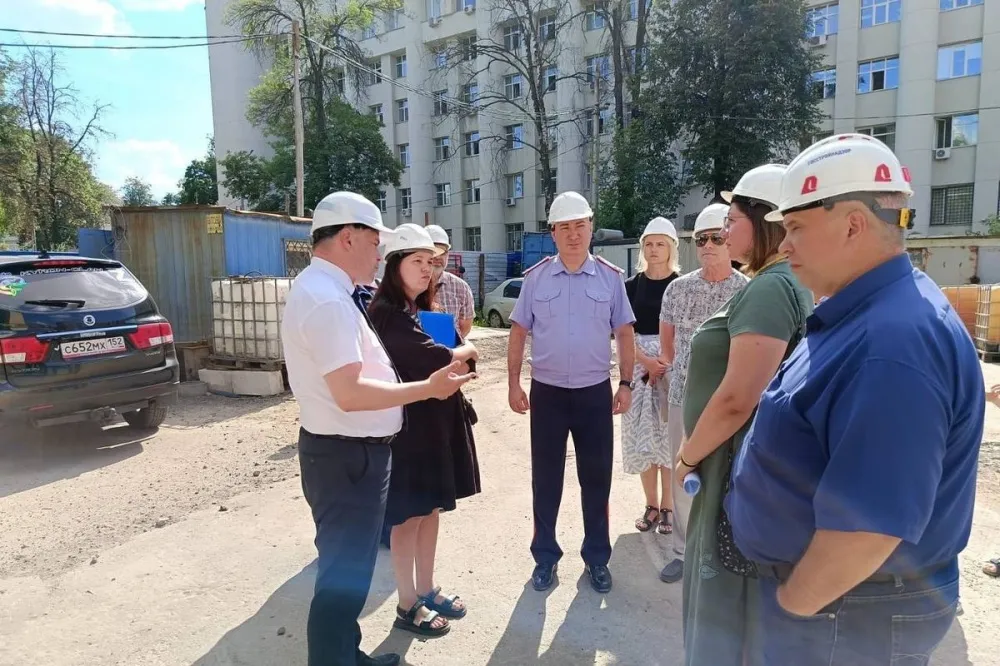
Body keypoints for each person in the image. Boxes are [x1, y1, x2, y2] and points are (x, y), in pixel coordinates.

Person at [725, 134, 984, 665]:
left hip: (846, 615)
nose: (785, 244)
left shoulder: (892, 344)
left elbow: (867, 530)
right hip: (844, 607)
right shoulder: (870, 312)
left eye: (795, 227)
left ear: (852, 224)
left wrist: (796, 606)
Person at [281, 192, 475, 666]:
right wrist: (425, 389)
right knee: (341, 579)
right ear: (348, 237)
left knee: (348, 576)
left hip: (351, 453)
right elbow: (349, 393)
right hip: (347, 456)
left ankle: (345, 655)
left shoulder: (332, 292)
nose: (378, 255)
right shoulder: (325, 299)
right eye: (375, 243)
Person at [673, 164, 814, 666]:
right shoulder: (782, 282)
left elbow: (739, 397)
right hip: (744, 464)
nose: (725, 231)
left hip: (732, 463)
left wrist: (688, 457)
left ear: (766, 220)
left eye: (733, 219)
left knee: (725, 611)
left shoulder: (772, 288)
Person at [507, 191, 636, 594]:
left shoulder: (611, 279)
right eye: (565, 227)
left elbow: (625, 332)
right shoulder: (536, 278)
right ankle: (545, 557)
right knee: (546, 481)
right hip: (546, 394)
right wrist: (512, 382)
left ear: (591, 228)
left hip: (594, 394)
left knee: (596, 480)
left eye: (580, 225)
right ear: (553, 233)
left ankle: (597, 558)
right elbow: (518, 332)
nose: (574, 234)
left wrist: (627, 383)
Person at [367, 224, 482, 639]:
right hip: (409, 431)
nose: (426, 270)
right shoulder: (387, 314)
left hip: (434, 426)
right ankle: (405, 602)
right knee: (407, 517)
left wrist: (460, 355)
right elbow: (443, 356)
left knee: (431, 508)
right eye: (416, 262)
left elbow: (461, 367)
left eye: (431, 263)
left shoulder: (421, 312)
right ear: (394, 265)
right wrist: (465, 349)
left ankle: (427, 588)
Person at [656, 203, 749, 584]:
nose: (708, 245)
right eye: (700, 239)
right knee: (683, 477)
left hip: (731, 402)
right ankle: (683, 551)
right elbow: (667, 347)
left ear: (729, 240)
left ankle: (720, 553)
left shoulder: (747, 290)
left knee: (726, 478)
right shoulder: (678, 289)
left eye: (715, 237)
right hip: (683, 398)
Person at [621, 217, 680, 537]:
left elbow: (687, 329)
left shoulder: (683, 284)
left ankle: (670, 507)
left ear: (671, 248)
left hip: (673, 367)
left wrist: (665, 362)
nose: (654, 250)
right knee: (644, 442)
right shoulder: (631, 286)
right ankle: (651, 504)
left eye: (661, 244)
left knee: (668, 441)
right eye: (649, 244)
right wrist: (646, 361)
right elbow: (623, 332)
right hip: (640, 367)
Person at [426, 224, 476, 339]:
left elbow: (465, 327)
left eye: (443, 252)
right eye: (434, 252)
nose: (438, 258)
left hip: (452, 352)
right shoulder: (410, 285)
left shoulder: (461, 287)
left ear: (448, 255)